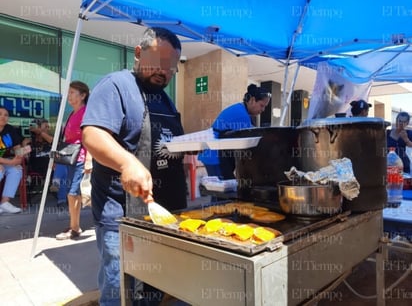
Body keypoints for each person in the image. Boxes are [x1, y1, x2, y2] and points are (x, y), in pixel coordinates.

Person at [81, 27, 187, 305]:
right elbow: (92, 134)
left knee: (152, 288)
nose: (164, 73)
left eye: (171, 69)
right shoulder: (116, 85)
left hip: (160, 215)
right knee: (121, 291)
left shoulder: (164, 98)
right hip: (122, 215)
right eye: (159, 63)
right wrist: (128, 162)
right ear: (138, 53)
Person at [198, 84, 271, 180]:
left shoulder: (240, 109)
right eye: (261, 105)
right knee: (223, 189)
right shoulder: (241, 115)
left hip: (214, 153)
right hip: (214, 155)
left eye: (265, 107)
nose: (263, 110)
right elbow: (249, 143)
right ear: (252, 100)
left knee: (223, 188)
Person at [55, 81, 92, 240]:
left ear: (82, 95)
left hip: (81, 158)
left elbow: (89, 137)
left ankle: (75, 227)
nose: (69, 96)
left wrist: (89, 159)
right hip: (71, 158)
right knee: (73, 193)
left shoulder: (86, 112)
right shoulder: (72, 113)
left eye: (72, 92)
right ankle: (75, 227)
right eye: (68, 93)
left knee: (72, 193)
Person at [0, 106, 25, 214]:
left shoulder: (9, 129)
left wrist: (18, 157)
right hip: (3, 162)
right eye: (0, 114)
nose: (3, 117)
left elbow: (17, 147)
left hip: (3, 161)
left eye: (6, 115)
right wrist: (11, 162)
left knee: (16, 170)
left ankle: (4, 203)